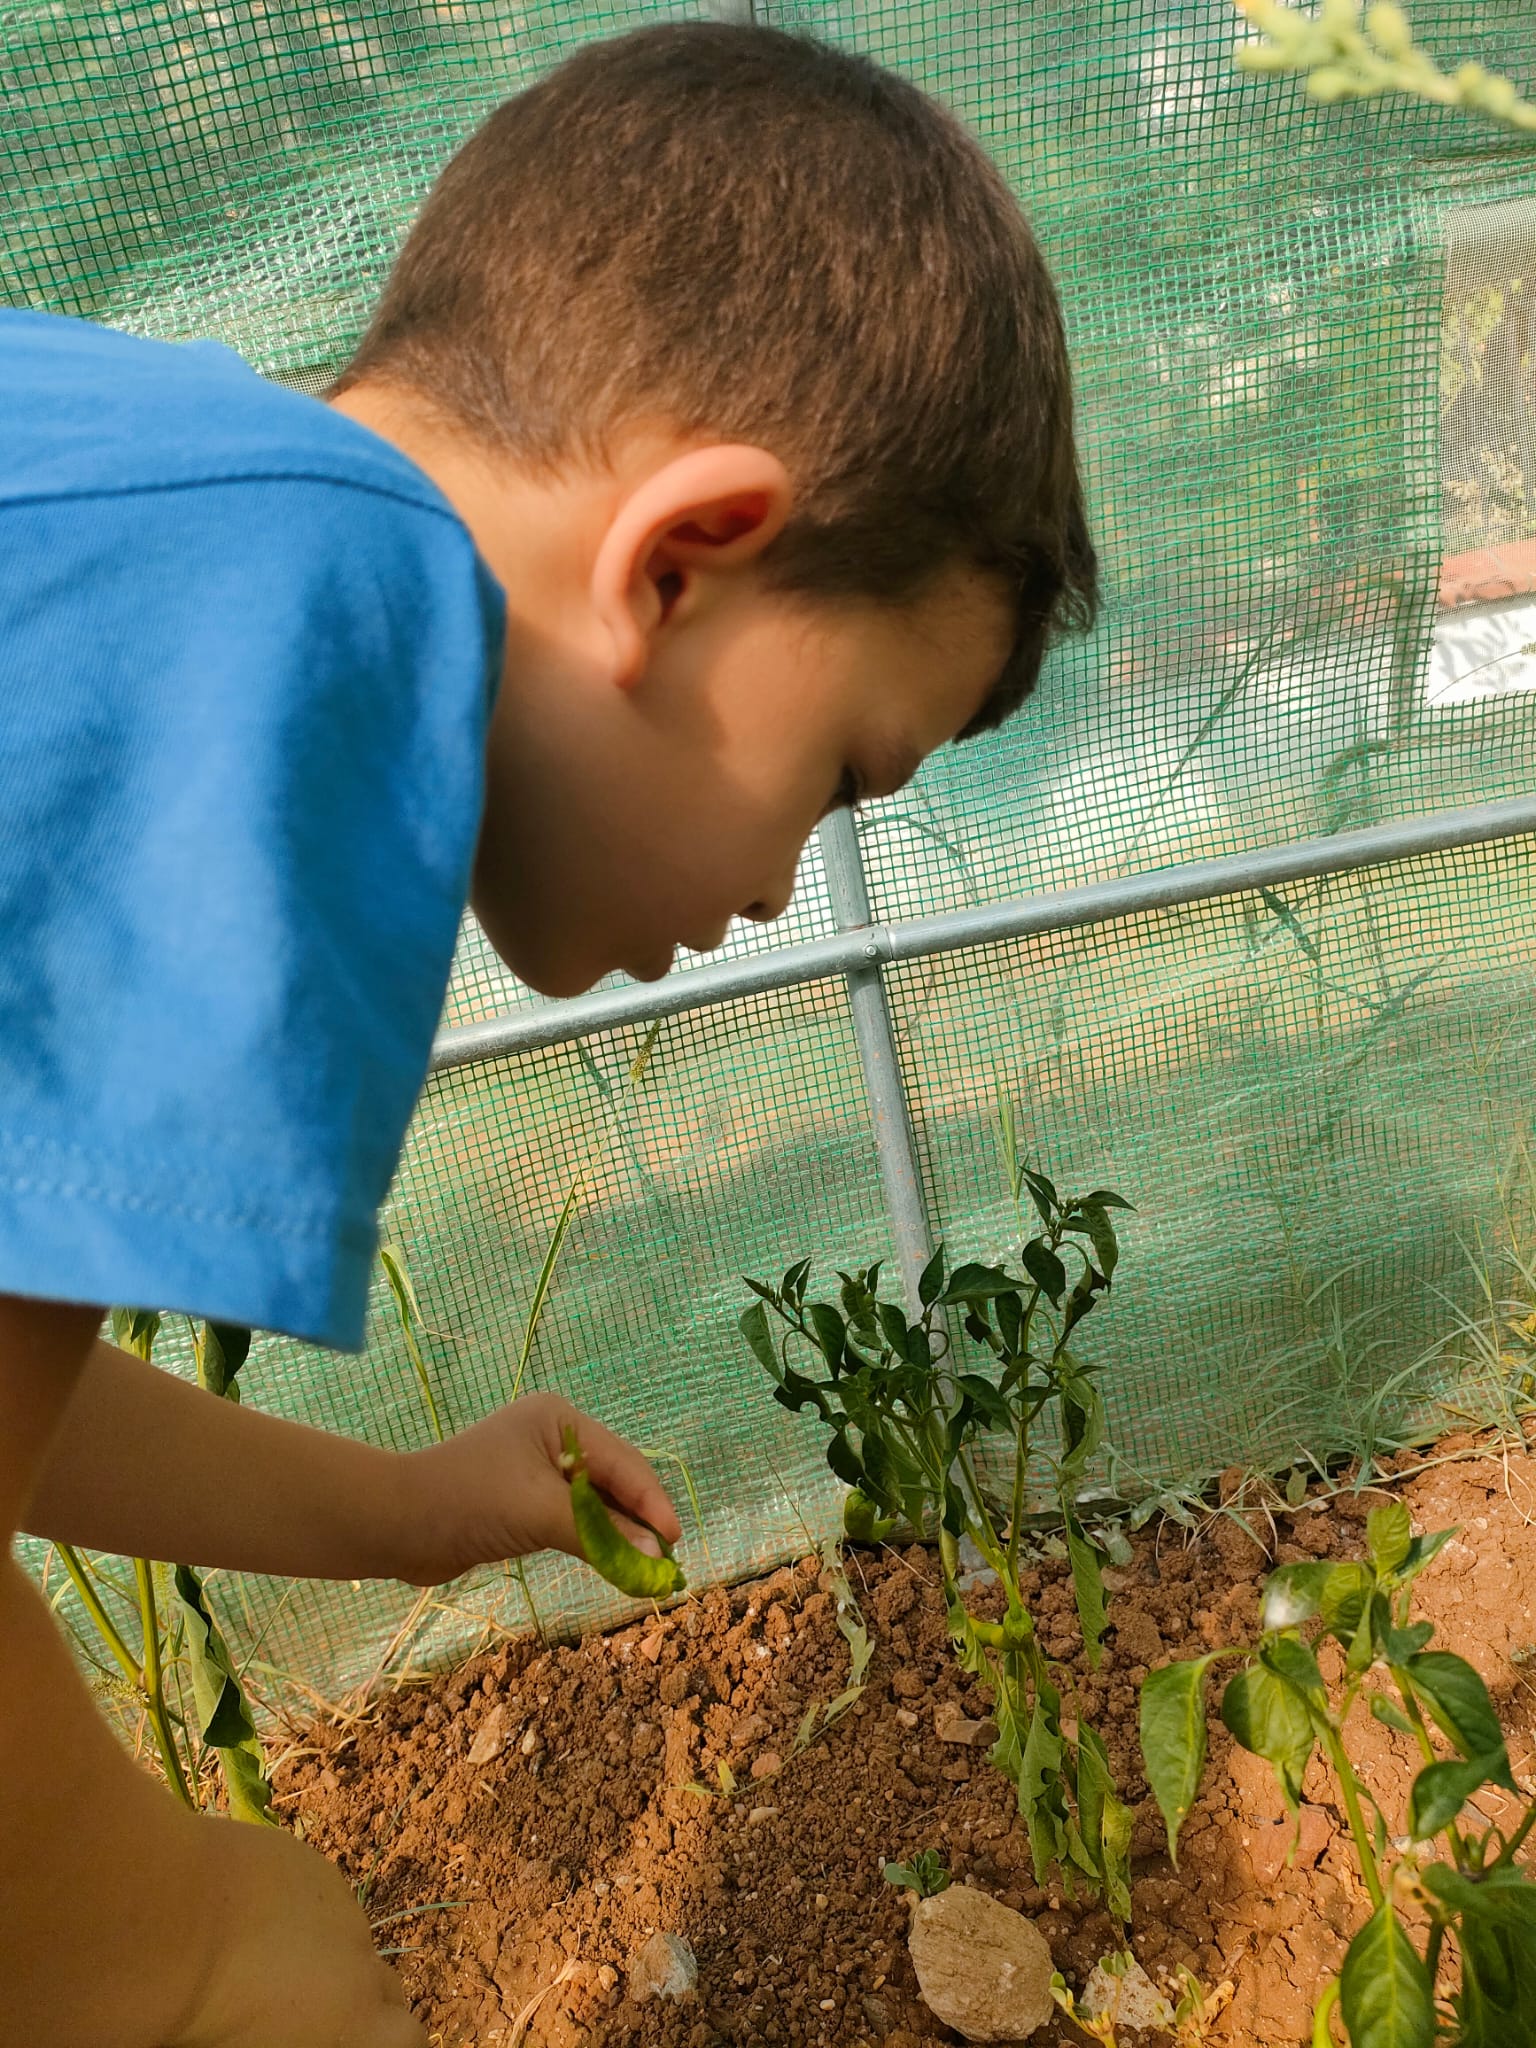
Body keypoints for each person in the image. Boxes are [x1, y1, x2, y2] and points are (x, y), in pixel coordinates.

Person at [0, 20, 1096, 2047]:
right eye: (842, 776)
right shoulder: (315, 624)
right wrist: (187, 1961)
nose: (780, 888)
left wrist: (414, 1512)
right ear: (677, 560)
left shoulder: (129, 482)